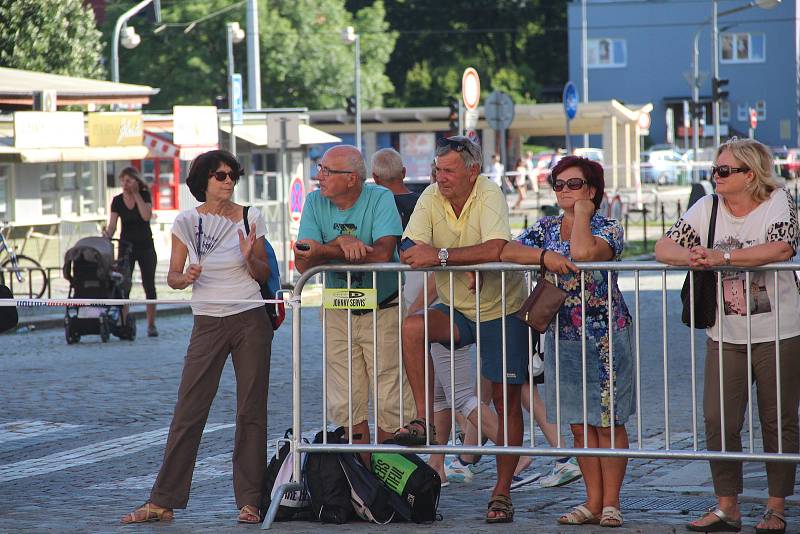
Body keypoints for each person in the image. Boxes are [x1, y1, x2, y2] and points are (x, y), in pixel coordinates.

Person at [120, 150, 273, 524]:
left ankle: (250, 501)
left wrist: (249, 256)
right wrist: (184, 277)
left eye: (232, 175)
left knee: (250, 410)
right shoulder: (187, 221)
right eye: (220, 175)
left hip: (249, 316)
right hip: (207, 320)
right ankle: (162, 500)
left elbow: (263, 271)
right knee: (189, 410)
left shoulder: (251, 216)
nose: (228, 181)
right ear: (202, 180)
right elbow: (171, 276)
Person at [656, 138, 800, 534]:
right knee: (718, 419)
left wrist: (723, 257)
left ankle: (776, 506)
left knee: (778, 420)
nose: (714, 176)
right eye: (714, 169)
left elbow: (781, 247)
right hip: (726, 333)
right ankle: (727, 507)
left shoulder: (778, 201)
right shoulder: (708, 207)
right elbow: (663, 246)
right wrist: (694, 256)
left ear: (749, 174)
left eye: (723, 170)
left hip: (780, 330)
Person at [398, 135, 529, 523]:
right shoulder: (431, 196)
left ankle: (502, 491)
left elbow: (496, 247)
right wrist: (459, 263)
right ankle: (423, 420)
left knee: (506, 401)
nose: (441, 177)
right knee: (412, 328)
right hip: (457, 306)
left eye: (450, 170)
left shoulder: (489, 193)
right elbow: (408, 246)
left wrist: (442, 257)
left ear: (473, 171)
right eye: (437, 170)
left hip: (501, 308)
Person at [501, 155, 635, 528]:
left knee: (608, 421)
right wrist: (543, 256)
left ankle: (612, 502)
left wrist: (583, 214)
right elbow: (507, 250)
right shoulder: (545, 228)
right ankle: (591, 501)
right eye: (558, 184)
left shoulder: (609, 227)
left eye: (574, 184)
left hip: (606, 335)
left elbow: (582, 252)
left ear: (592, 190)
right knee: (578, 424)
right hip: (562, 335)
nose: (564, 190)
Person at [295, 145, 415, 451]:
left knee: (391, 399)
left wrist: (326, 249)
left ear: (351, 179)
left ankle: (390, 479)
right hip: (338, 310)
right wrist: (342, 243)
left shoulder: (380, 198)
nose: (318, 176)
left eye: (326, 171)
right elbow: (304, 259)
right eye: (319, 169)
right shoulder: (313, 201)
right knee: (347, 400)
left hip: (383, 308)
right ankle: (361, 485)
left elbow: (382, 252)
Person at [103, 167, 158, 337]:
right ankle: (124, 322)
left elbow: (146, 216)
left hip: (146, 246)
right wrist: (106, 236)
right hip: (126, 248)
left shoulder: (144, 195)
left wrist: (136, 195)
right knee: (124, 285)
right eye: (122, 181)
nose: (124, 184)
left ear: (136, 180)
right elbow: (112, 225)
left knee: (149, 286)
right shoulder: (117, 200)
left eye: (128, 180)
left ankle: (151, 324)